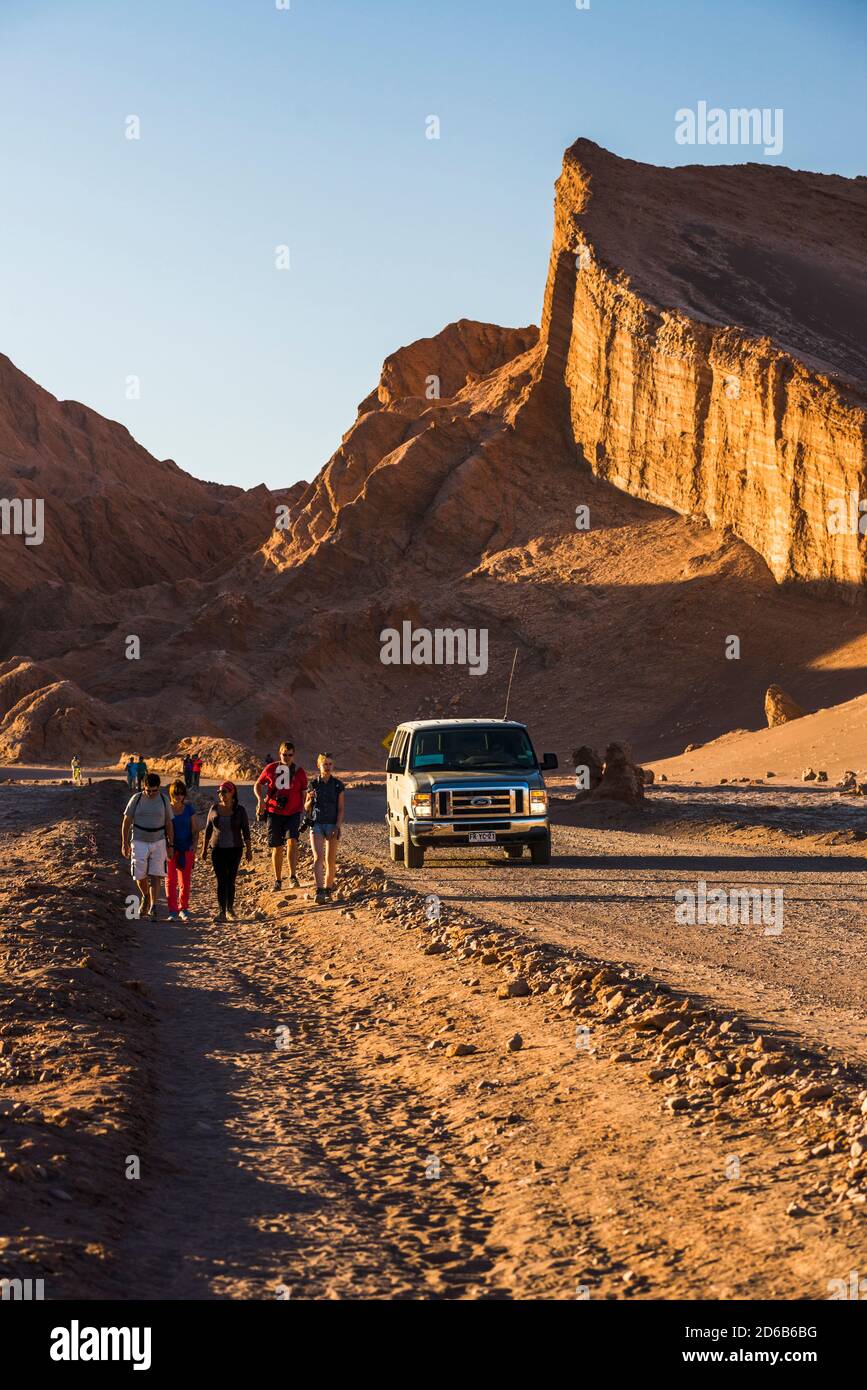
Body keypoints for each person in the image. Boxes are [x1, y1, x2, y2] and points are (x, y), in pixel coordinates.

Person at [254, 740, 308, 890]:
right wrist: (260, 800)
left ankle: (292, 876)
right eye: (284, 754)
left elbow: (304, 792)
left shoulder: (299, 772)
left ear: (294, 755)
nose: (287, 757)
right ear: (280, 753)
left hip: (293, 812)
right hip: (274, 812)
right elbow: (258, 784)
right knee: (276, 847)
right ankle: (278, 880)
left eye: (290, 755)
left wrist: (306, 809)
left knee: (292, 841)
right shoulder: (271, 768)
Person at [121, 773, 174, 920]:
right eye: (147, 790)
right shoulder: (136, 799)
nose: (150, 793)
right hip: (139, 840)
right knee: (139, 875)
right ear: (143, 787)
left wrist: (171, 845)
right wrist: (124, 843)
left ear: (158, 788)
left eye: (154, 790)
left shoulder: (164, 800)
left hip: (159, 841)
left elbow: (169, 823)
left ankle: (152, 906)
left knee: (156, 874)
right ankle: (145, 895)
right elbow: (126, 821)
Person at [202, 781, 251, 922]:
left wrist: (249, 850)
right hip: (217, 849)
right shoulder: (214, 808)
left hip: (235, 849)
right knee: (221, 880)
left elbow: (246, 831)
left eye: (224, 791)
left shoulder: (240, 810)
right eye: (219, 792)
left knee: (231, 880)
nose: (221, 794)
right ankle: (221, 911)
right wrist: (204, 849)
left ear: (232, 792)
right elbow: (208, 830)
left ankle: (230, 909)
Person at [304, 753, 346, 904]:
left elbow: (341, 808)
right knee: (318, 857)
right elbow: (306, 806)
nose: (327, 767)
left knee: (330, 860)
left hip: (332, 824)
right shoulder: (313, 784)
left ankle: (328, 889)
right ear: (319, 765)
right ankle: (320, 890)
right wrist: (310, 799)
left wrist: (337, 826)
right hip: (317, 823)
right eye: (325, 764)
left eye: (330, 764)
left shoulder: (337, 785)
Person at [166, 779, 200, 922]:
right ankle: (172, 911)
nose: (178, 796)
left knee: (184, 882)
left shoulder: (189, 809)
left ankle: (183, 908)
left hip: (186, 849)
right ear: (171, 794)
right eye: (176, 793)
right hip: (170, 849)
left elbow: (195, 829)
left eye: (181, 793)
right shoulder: (166, 809)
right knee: (170, 880)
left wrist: (194, 846)